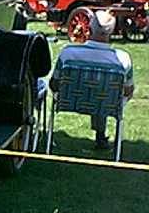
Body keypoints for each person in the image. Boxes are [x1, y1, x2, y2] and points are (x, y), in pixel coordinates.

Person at [50, 10, 134, 149]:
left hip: (70, 100)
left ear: (89, 28)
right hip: (106, 103)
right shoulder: (123, 59)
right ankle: (101, 136)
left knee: (97, 90)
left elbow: (54, 84)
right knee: (103, 93)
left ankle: (48, 143)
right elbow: (128, 91)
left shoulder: (68, 53)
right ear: (112, 32)